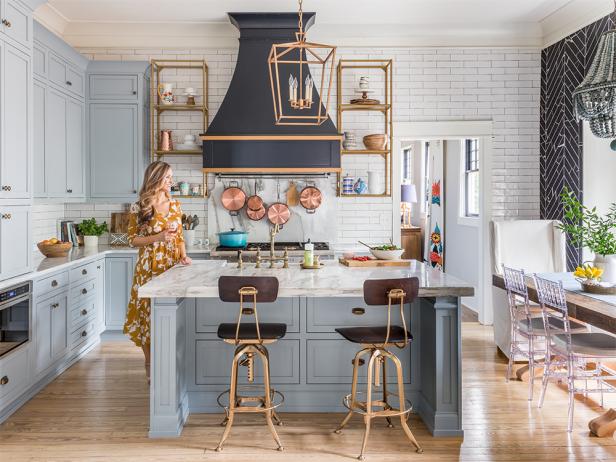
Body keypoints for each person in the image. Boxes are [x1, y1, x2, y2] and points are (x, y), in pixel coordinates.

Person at [124, 161, 192, 381]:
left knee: (169, 314)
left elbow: (179, 235)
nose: (171, 181)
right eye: (167, 178)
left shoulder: (175, 205)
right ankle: (149, 365)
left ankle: (169, 361)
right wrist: (158, 237)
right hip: (148, 267)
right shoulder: (140, 206)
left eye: (171, 177)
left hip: (171, 265)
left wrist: (183, 255)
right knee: (147, 315)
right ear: (156, 178)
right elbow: (132, 240)